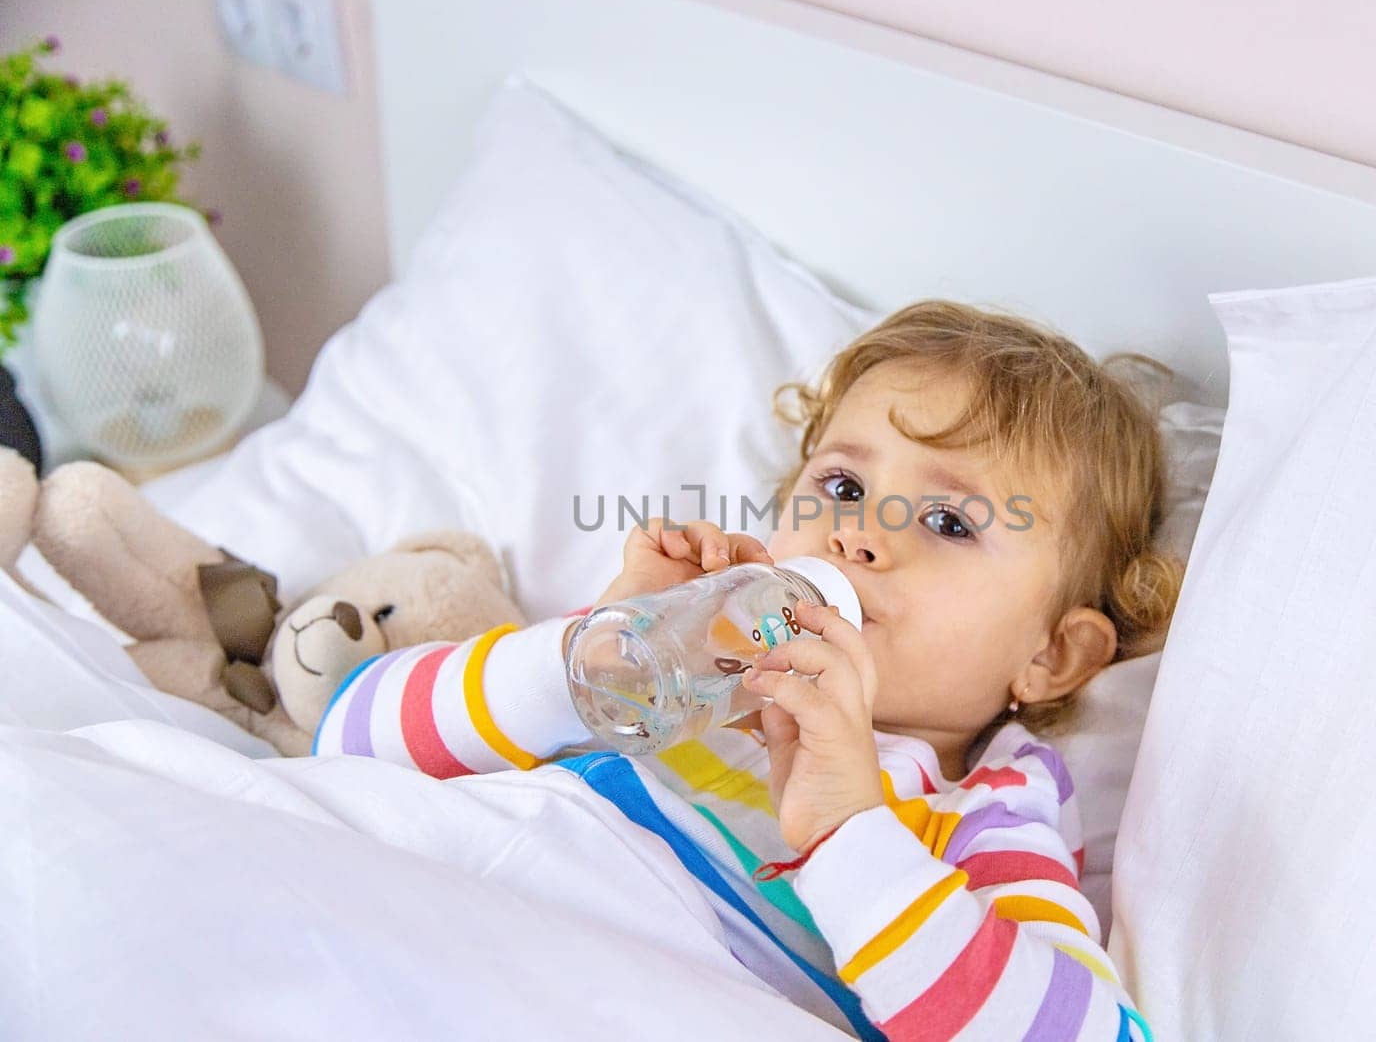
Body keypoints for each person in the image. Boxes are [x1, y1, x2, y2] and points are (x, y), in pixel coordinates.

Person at [315, 300, 1183, 1040]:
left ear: (1050, 655)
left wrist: (848, 831)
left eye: (951, 522)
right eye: (844, 485)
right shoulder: (663, 662)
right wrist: (582, 661)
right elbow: (346, 737)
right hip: (394, 921)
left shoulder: (975, 811)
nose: (860, 534)